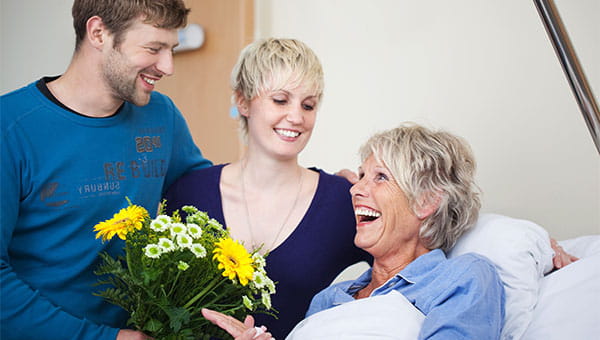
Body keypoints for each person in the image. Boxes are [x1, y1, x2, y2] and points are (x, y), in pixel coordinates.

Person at [0, 1, 212, 339]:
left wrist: (318, 186)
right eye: (154, 48)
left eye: (171, 49)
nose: (168, 66)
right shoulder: (9, 127)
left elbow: (210, 193)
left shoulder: (162, 116)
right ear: (98, 32)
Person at [201, 123, 507, 339]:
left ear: (427, 201)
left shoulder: (463, 278)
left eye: (380, 177)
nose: (356, 189)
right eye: (361, 176)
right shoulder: (330, 299)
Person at [163, 38, 371, 338]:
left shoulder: (341, 200)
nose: (297, 117)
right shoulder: (189, 194)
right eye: (280, 100)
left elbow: (406, 276)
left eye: (308, 105)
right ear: (243, 101)